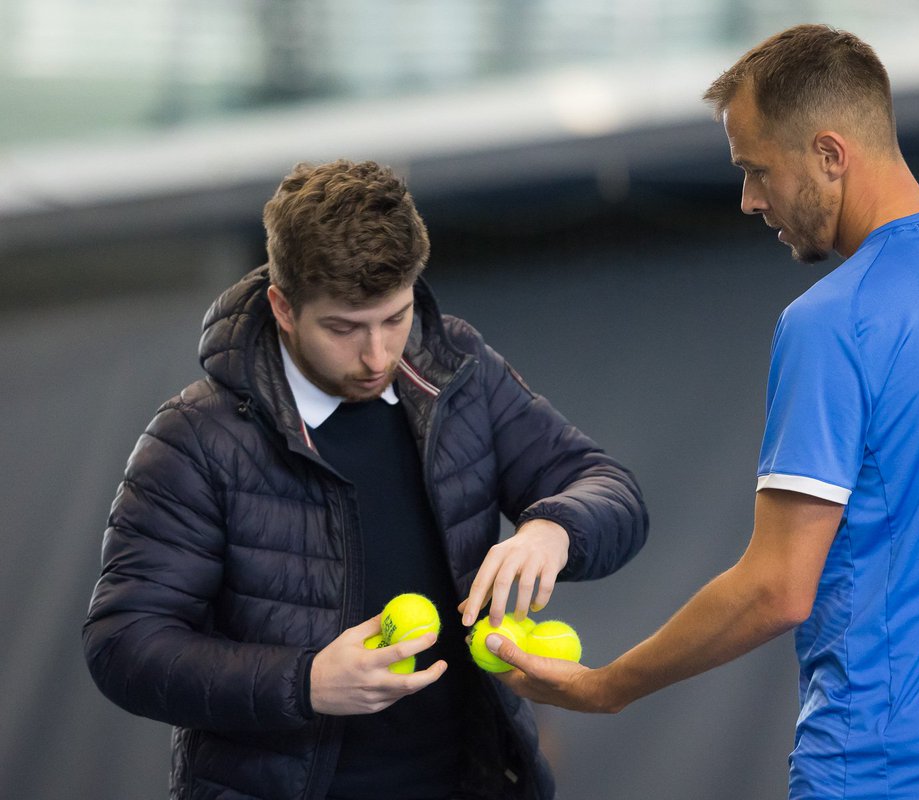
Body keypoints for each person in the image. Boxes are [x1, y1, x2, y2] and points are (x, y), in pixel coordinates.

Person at [485, 24, 919, 800]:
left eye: (757, 170)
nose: (750, 199)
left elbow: (779, 587)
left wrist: (606, 686)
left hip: (882, 777)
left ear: (829, 154)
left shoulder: (831, 321)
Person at [83, 159, 648, 800]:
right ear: (283, 307)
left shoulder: (462, 372)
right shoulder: (195, 439)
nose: (378, 356)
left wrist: (553, 528)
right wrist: (306, 682)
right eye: (344, 329)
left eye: (396, 317)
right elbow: (124, 644)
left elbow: (609, 488)